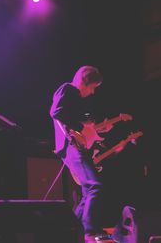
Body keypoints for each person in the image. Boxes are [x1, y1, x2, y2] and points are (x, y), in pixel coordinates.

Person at [50, 66, 116, 243]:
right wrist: (80, 127)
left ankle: (72, 228)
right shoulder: (68, 89)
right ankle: (89, 231)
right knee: (95, 185)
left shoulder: (76, 99)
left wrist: (96, 129)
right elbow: (56, 112)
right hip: (70, 146)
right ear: (85, 82)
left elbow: (79, 124)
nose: (93, 92)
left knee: (88, 191)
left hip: (77, 146)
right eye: (93, 87)